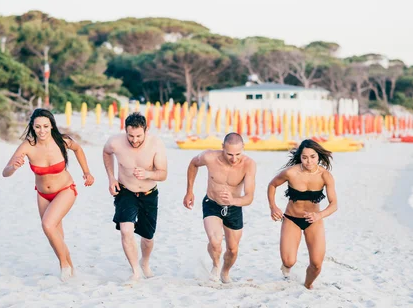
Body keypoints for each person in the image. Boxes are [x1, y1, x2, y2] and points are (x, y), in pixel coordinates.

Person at [2, 108, 94, 281]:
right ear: (32, 127)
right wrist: (13, 167)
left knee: (47, 225)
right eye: (38, 127)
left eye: (45, 126)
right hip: (43, 194)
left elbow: (78, 149)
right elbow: (5, 172)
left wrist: (87, 172)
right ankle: (72, 269)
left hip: (65, 190)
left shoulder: (62, 141)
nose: (42, 130)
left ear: (51, 125)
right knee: (56, 235)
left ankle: (64, 267)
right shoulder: (27, 146)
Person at [183, 133, 256, 284]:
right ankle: (216, 266)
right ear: (222, 148)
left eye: (237, 154)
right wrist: (189, 191)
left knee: (233, 249)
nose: (234, 159)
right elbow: (193, 164)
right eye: (229, 154)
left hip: (234, 207)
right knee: (216, 242)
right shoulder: (210, 157)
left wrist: (233, 200)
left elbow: (249, 197)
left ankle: (225, 272)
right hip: (212, 203)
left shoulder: (249, 164)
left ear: (243, 148)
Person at [102, 112, 167, 282]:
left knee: (147, 237)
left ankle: (144, 263)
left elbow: (163, 174)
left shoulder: (156, 144)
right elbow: (106, 152)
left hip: (149, 194)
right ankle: (135, 270)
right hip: (125, 191)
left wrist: (147, 173)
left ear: (146, 130)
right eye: (131, 136)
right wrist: (111, 177)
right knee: (126, 231)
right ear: (125, 131)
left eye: (139, 136)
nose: (135, 140)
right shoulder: (115, 142)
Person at [267, 139, 338, 289]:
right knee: (289, 261)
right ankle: (285, 268)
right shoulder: (291, 173)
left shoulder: (325, 176)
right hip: (292, 218)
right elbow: (272, 185)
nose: (309, 161)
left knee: (317, 264)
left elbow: (334, 204)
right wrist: (273, 207)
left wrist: (319, 215)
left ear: (318, 156)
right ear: (300, 157)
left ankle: (307, 284)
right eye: (304, 157)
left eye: (312, 157)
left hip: (314, 220)